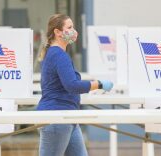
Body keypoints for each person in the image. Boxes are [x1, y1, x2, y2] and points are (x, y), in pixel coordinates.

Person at [37, 14, 113, 156]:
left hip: (68, 116)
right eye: (69, 27)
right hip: (56, 118)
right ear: (57, 32)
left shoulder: (56, 54)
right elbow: (72, 85)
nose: (74, 31)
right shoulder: (58, 55)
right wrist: (99, 84)